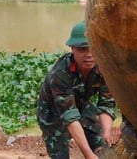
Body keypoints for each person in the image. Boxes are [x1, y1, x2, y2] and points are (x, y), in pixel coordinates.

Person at [37, 21, 120, 159]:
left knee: (103, 145)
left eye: (92, 48)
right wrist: (88, 154)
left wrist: (107, 133)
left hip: (82, 106)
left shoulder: (104, 68)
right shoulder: (60, 74)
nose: (88, 54)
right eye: (82, 49)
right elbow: (69, 117)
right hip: (53, 113)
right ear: (72, 49)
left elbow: (106, 104)